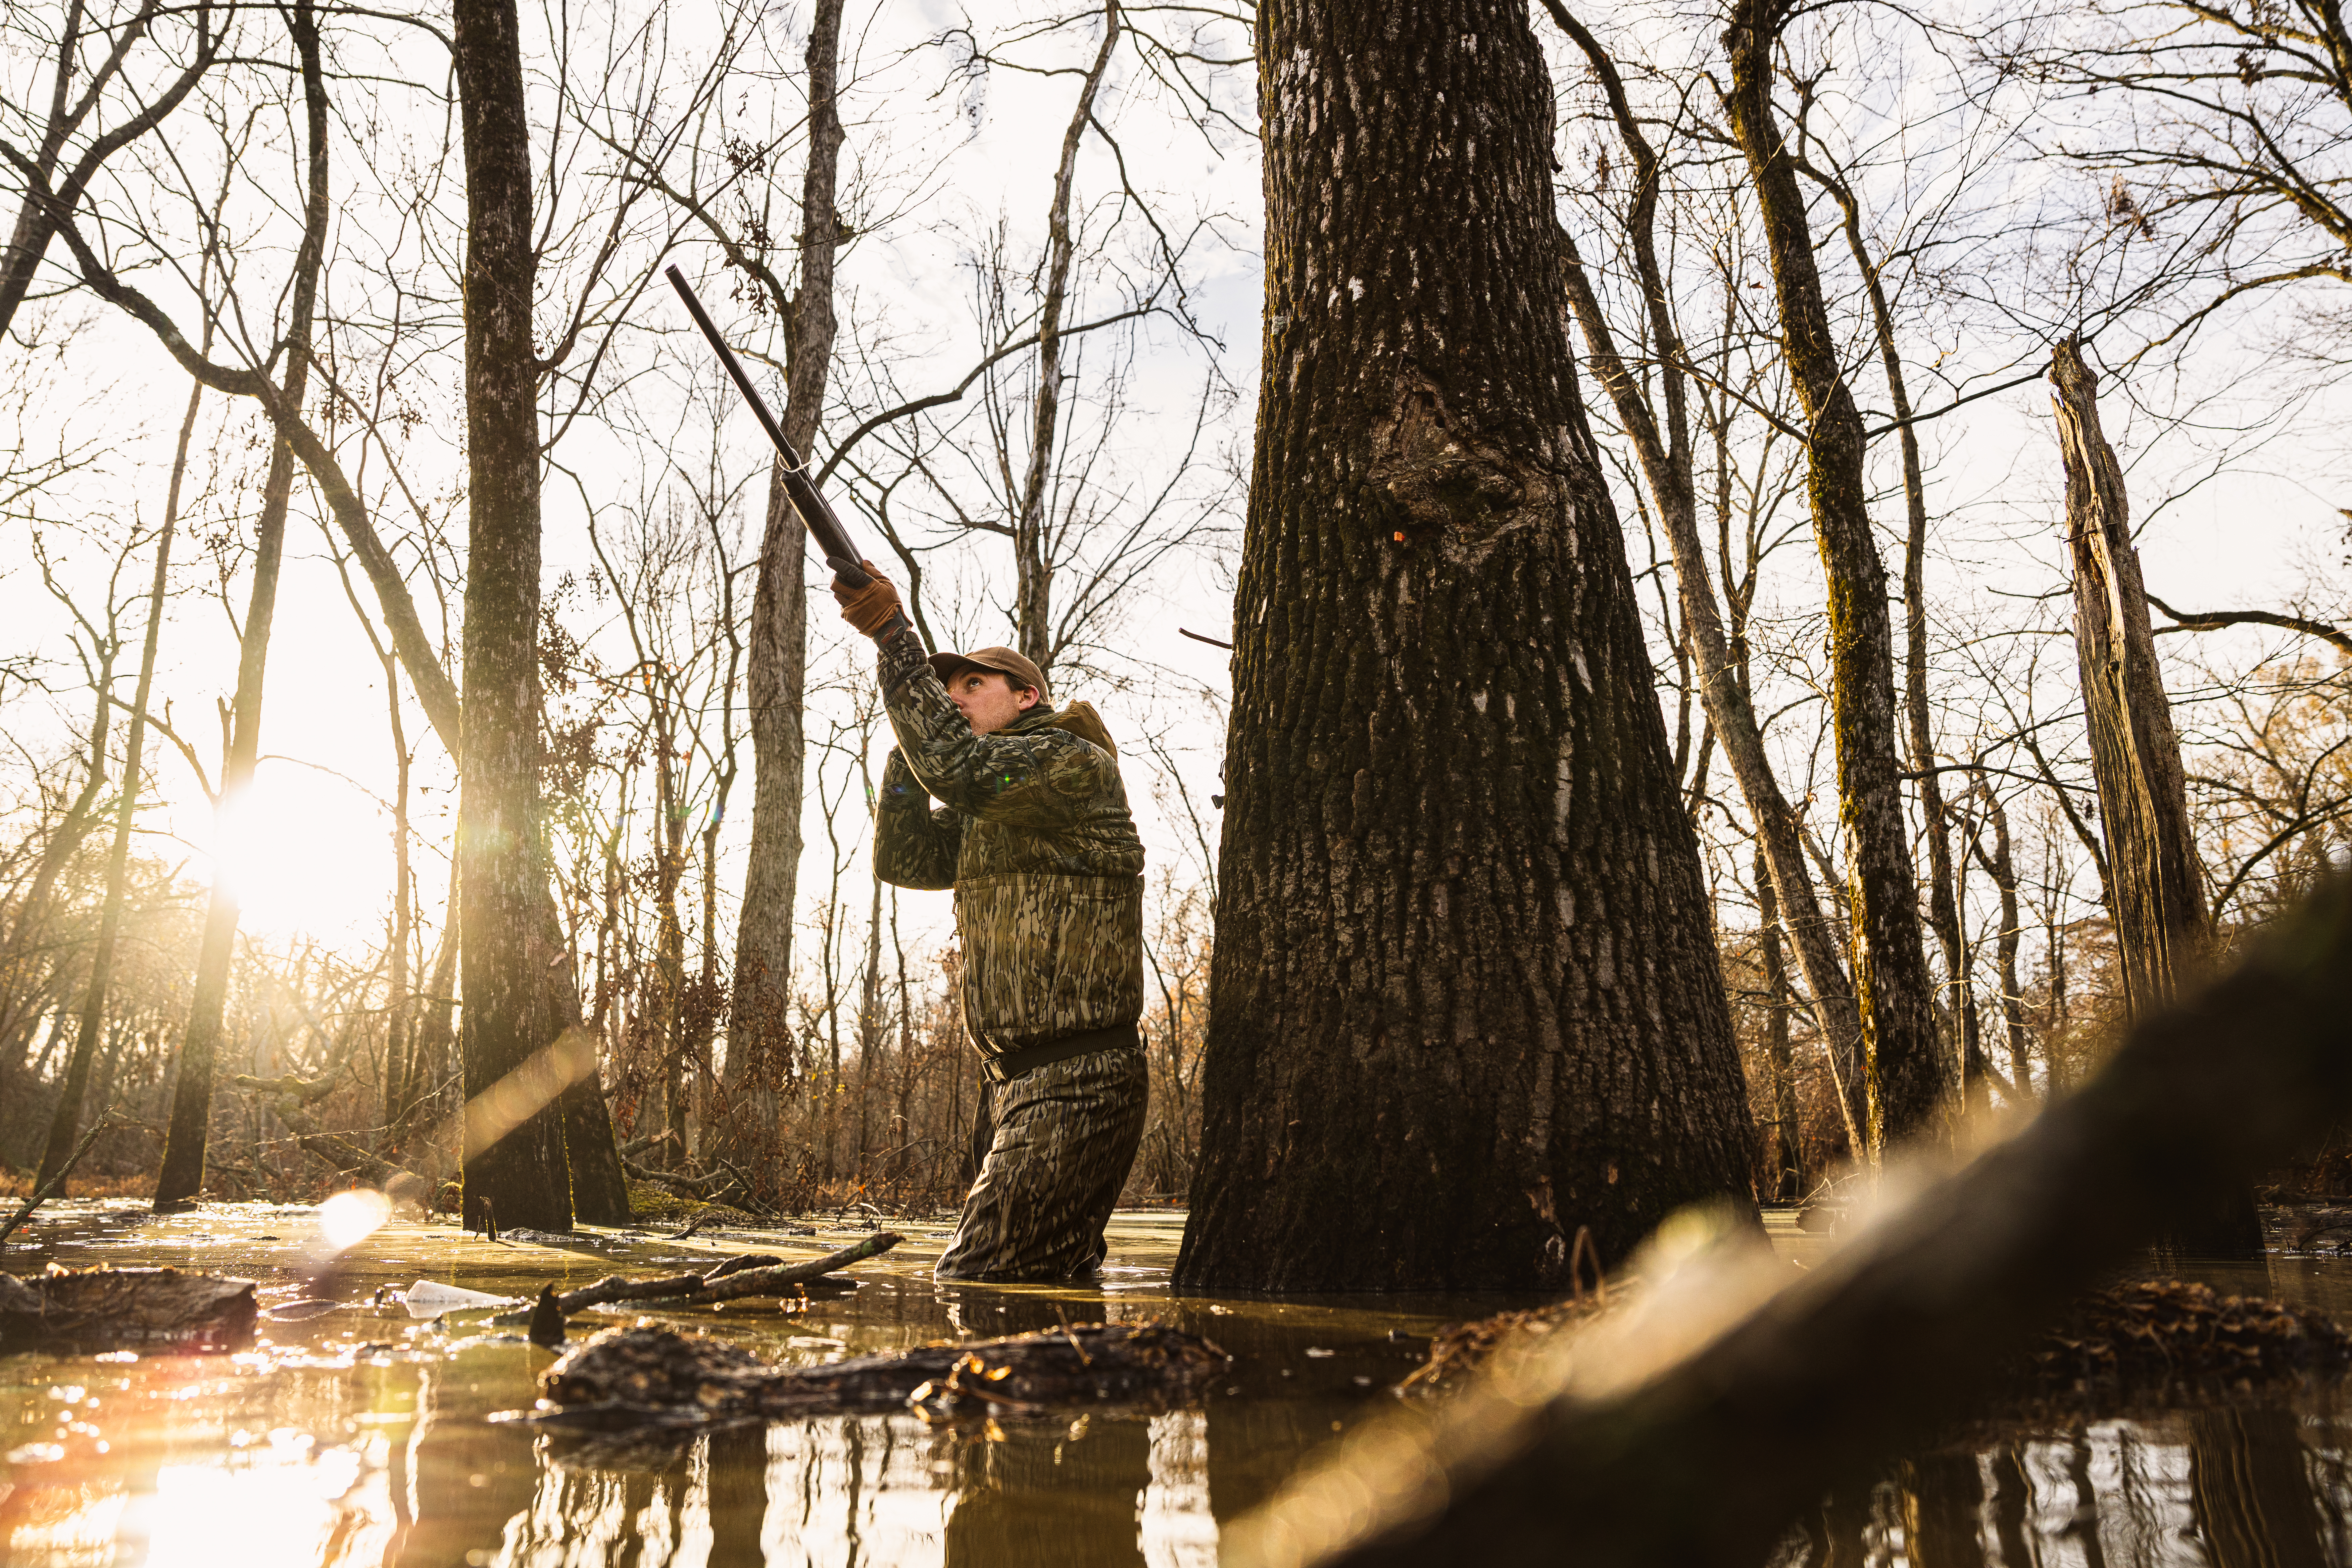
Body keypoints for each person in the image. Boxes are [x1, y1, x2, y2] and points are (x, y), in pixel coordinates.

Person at [834, 561, 1148, 1280]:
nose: (957, 698)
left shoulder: (1065, 761)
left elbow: (959, 767)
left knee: (978, 1283)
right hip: (1018, 1084)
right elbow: (906, 857)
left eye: (974, 684)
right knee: (1045, 1286)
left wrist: (892, 633)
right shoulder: (993, 800)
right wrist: (909, 753)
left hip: (1077, 1079)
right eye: (948, 692)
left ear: (1029, 695)